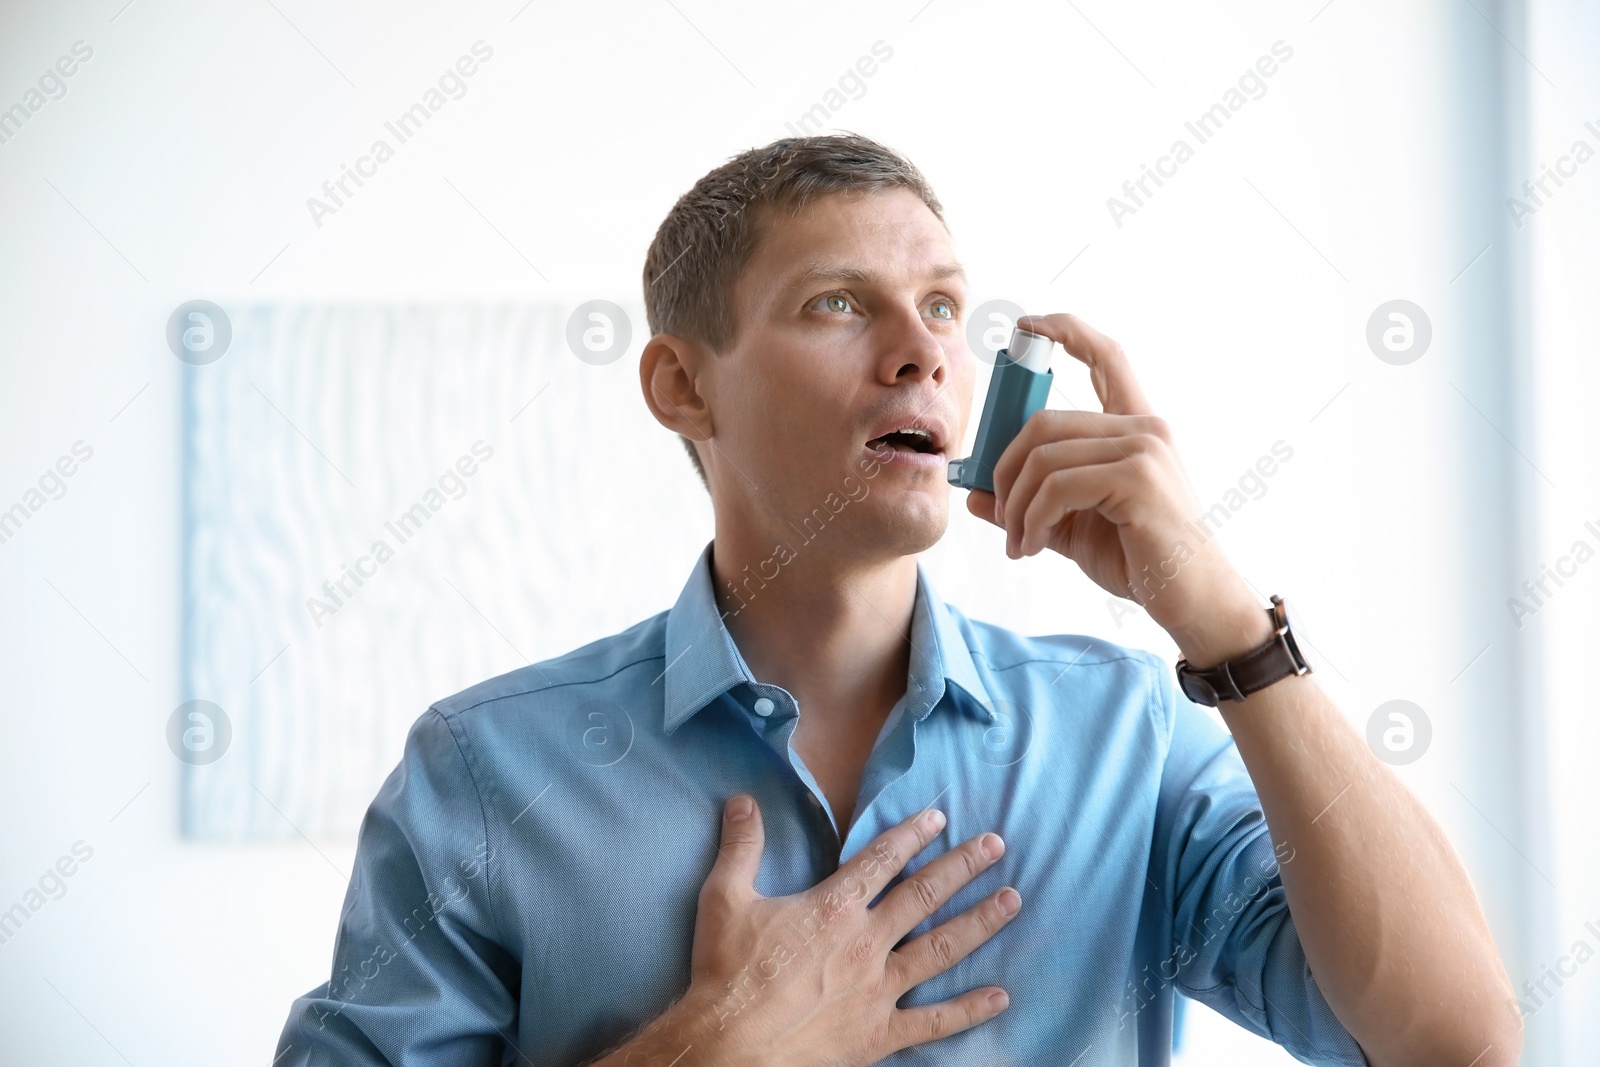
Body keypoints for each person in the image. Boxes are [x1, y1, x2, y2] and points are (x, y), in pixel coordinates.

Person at [274, 133, 1519, 1066]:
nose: (921, 346)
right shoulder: (483, 771)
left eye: (938, 305)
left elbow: (1456, 1039)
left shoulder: (1128, 740)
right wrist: (710, 1048)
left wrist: (1234, 630)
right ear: (680, 386)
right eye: (836, 303)